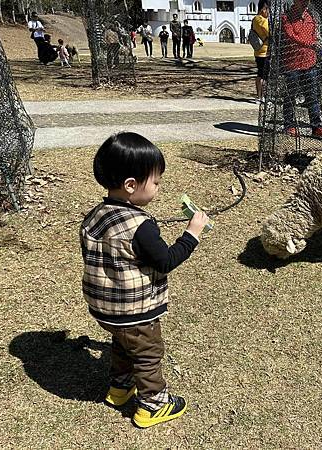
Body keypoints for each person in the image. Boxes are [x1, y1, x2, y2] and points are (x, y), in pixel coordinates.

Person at [80, 132, 209, 429]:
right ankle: (153, 405)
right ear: (130, 185)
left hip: (104, 309)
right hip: (135, 310)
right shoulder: (140, 226)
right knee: (148, 353)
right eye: (156, 182)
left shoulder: (95, 215)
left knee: (125, 344)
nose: (158, 187)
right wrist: (192, 234)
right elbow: (165, 260)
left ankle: (120, 388)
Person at [281, 0, 322, 138]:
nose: (305, 3)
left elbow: (315, 35)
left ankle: (316, 127)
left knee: (312, 96)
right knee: (290, 97)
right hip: (292, 64)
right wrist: (310, 44)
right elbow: (291, 35)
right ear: (295, 1)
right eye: (303, 1)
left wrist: (319, 47)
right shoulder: (286, 17)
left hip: (310, 62)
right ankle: (289, 126)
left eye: (307, 1)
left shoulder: (310, 17)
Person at [252, 0, 270, 103]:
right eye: (267, 9)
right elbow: (269, 33)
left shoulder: (255, 19)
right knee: (264, 75)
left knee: (260, 74)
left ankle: (260, 95)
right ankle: (261, 96)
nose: (268, 12)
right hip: (264, 51)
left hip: (258, 51)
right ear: (263, 9)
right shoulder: (262, 20)